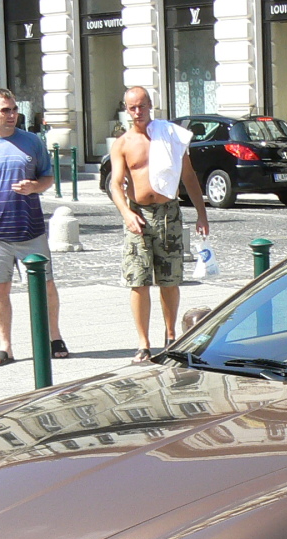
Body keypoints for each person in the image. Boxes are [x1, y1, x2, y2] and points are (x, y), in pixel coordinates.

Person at [0, 88, 68, 366]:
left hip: (30, 229)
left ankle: (54, 336)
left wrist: (35, 187)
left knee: (46, 285)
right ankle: (5, 346)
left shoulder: (32, 142)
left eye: (14, 109)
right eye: (5, 110)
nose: (11, 115)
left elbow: (47, 178)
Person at [108, 86, 210, 363]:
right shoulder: (123, 143)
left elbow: (189, 177)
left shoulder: (168, 137)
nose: (138, 112)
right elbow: (115, 184)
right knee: (138, 281)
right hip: (138, 214)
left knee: (170, 279)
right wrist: (126, 214)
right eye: (132, 108)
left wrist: (202, 214)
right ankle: (143, 342)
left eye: (142, 106)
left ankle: (170, 335)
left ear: (150, 105)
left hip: (169, 212)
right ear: (126, 109)